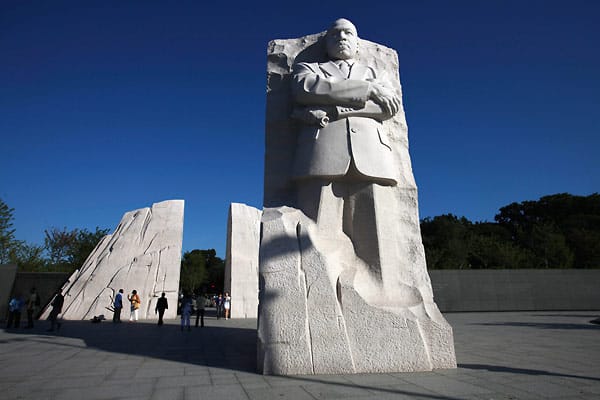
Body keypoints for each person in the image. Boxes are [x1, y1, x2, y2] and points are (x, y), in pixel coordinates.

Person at [290, 18, 401, 292]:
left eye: (347, 32)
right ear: (326, 43)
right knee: (319, 229)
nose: (341, 37)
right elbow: (306, 89)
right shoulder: (309, 68)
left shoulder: (377, 72)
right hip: (322, 153)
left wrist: (337, 110)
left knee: (377, 235)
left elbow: (387, 109)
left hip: (372, 156)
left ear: (357, 42)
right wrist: (368, 91)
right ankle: (319, 293)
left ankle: (384, 293)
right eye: (335, 33)